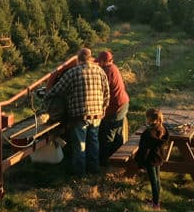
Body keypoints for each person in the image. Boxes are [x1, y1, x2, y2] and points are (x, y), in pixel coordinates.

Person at [45, 47, 110, 175]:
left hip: (79, 115)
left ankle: (79, 174)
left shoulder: (73, 72)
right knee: (94, 143)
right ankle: (94, 170)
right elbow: (107, 93)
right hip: (97, 114)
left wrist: (46, 95)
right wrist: (103, 109)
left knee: (80, 146)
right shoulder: (100, 71)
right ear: (91, 58)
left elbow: (57, 89)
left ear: (78, 59)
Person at [97, 50, 130, 164]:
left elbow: (101, 91)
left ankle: (105, 161)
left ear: (103, 62)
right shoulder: (114, 68)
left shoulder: (106, 72)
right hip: (123, 103)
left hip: (115, 107)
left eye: (99, 62)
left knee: (108, 134)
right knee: (118, 132)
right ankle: (119, 158)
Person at [135, 108, 171, 210]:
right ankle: (156, 199)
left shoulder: (147, 133)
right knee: (157, 179)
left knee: (153, 181)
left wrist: (140, 162)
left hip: (150, 159)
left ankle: (155, 204)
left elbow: (144, 150)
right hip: (159, 157)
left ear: (150, 119)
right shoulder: (163, 129)